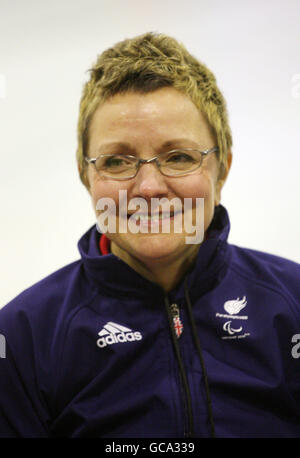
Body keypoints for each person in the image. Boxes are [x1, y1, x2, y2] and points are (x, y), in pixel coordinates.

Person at [0, 32, 300, 438]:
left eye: (178, 157)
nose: (148, 188)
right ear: (87, 177)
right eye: (117, 161)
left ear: (222, 169)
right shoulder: (21, 338)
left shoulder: (293, 304)